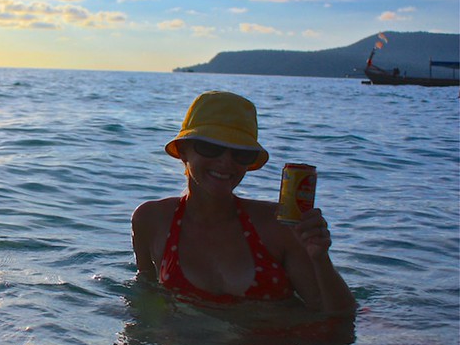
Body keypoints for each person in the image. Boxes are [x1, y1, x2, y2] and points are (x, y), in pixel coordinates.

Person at [131, 91, 356, 316]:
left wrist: (320, 258)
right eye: (211, 147)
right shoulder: (150, 220)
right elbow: (145, 296)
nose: (226, 162)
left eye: (240, 154)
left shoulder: (279, 226)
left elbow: (337, 316)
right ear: (183, 151)